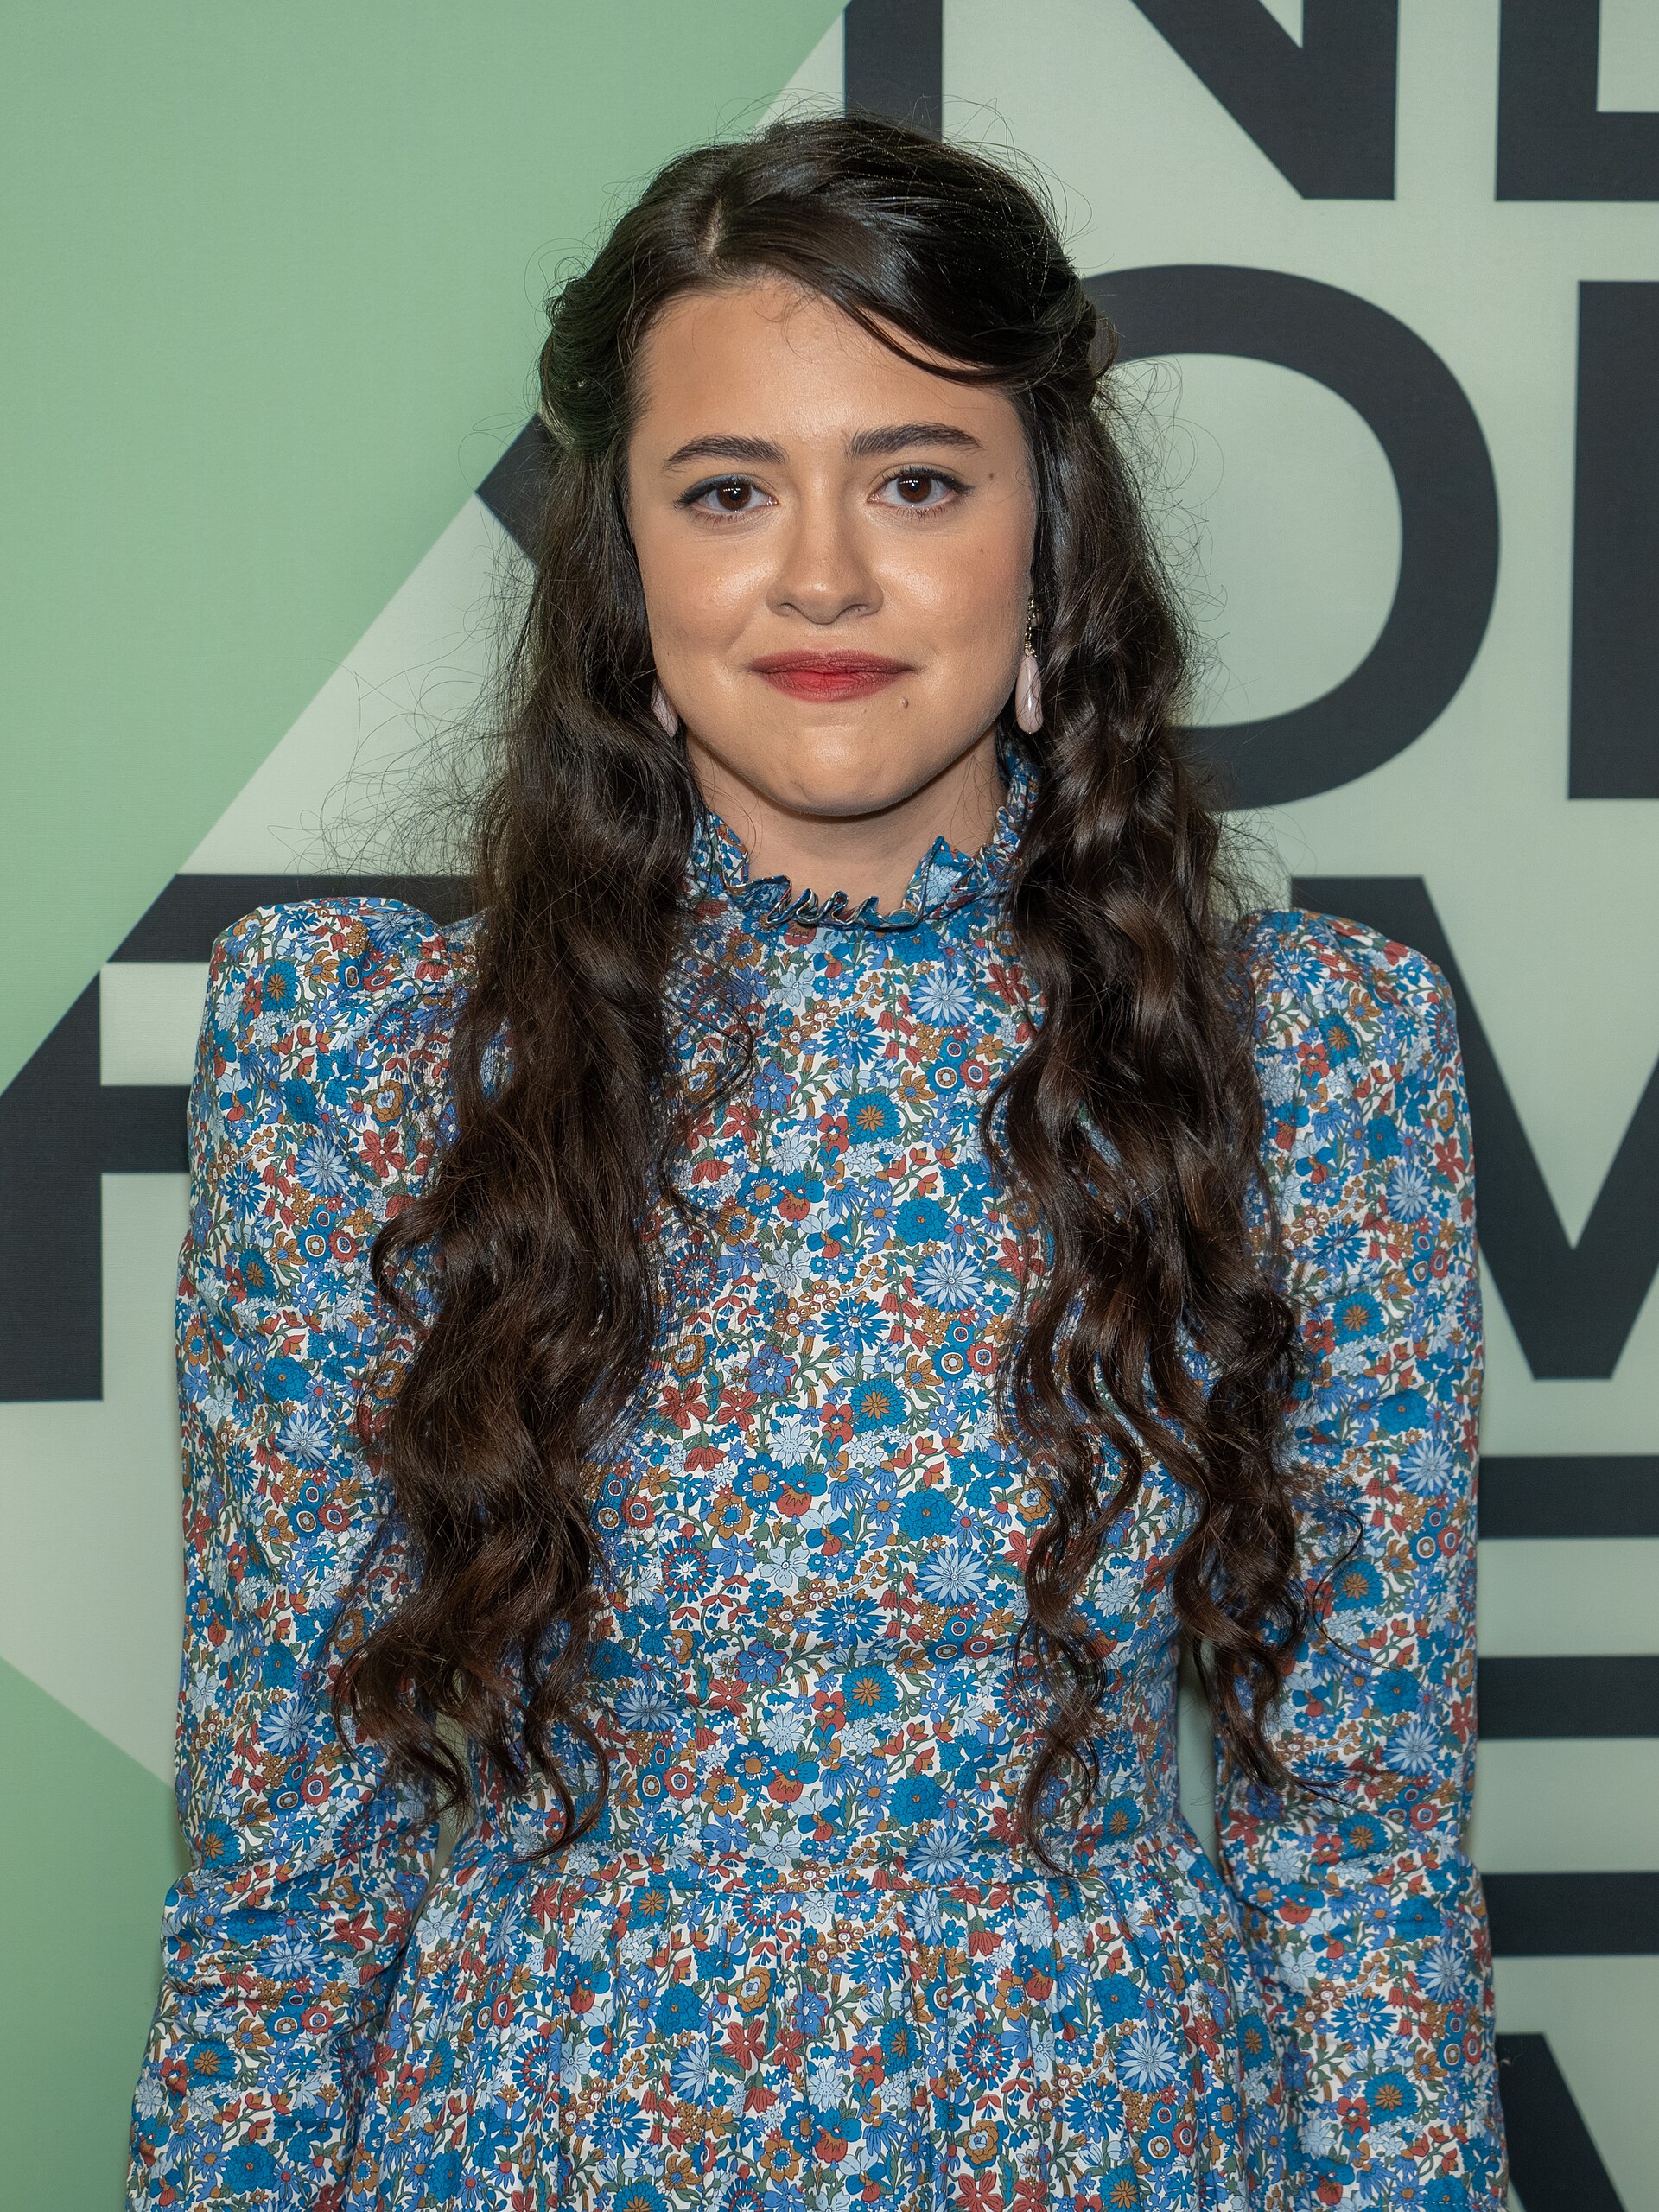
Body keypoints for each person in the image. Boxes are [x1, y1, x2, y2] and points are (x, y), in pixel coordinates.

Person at [128, 114, 1504, 2212]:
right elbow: (285, 1847)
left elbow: (1365, 1837)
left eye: (918, 479)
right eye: (729, 490)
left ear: (1049, 535)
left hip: (1107, 2146)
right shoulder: (369, 1059)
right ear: (628, 565)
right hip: (543, 2148)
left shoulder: (1310, 1060)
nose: (825, 575)